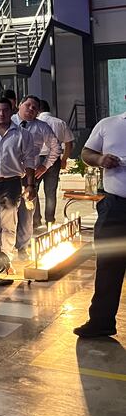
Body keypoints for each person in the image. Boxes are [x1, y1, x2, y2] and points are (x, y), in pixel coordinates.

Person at [73, 93, 126, 338]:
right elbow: (86, 153)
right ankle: (101, 321)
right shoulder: (108, 125)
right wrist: (100, 159)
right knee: (108, 265)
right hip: (115, 206)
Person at [0, 98, 36, 265]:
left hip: (12, 182)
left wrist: (30, 184)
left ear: (11, 111)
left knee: (9, 221)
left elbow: (29, 160)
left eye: (5, 110)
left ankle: (5, 258)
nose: (1, 114)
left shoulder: (22, 134)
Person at [12, 96, 60, 258]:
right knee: (6, 212)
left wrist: (45, 166)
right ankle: (1, 247)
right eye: (28, 105)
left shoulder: (41, 127)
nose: (31, 109)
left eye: (34, 107)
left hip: (29, 175)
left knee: (27, 212)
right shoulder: (8, 121)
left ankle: (22, 247)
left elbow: (56, 148)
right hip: (8, 174)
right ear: (20, 105)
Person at [36, 99, 75, 226]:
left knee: (33, 189)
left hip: (36, 159)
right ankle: (50, 220)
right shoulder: (60, 122)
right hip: (55, 159)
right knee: (51, 191)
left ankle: (35, 220)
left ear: (38, 109)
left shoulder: (35, 122)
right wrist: (64, 159)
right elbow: (69, 143)